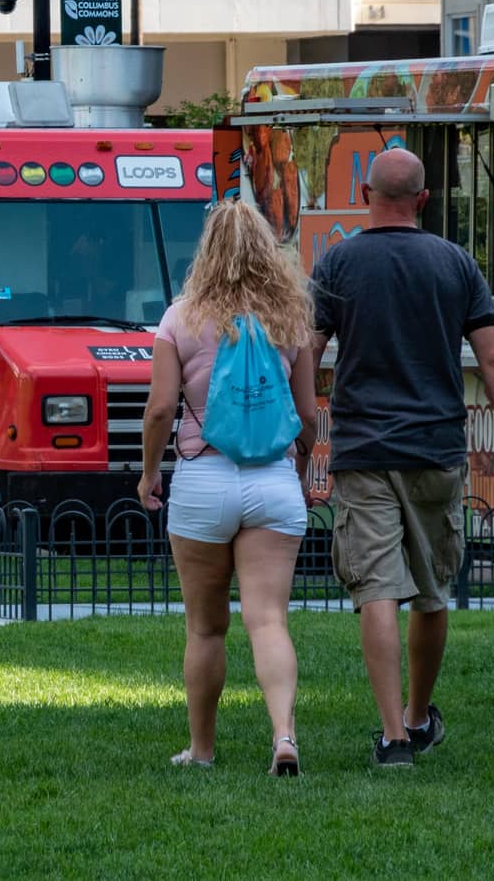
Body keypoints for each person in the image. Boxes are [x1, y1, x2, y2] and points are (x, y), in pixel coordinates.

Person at [311, 147, 494, 768]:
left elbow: (304, 351)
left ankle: (393, 739)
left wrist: (306, 436)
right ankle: (418, 715)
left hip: (363, 451)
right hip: (437, 450)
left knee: (377, 590)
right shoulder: (456, 264)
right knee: (432, 591)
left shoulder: (337, 263)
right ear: (424, 200)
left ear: (364, 191)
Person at [139, 198, 319, 775]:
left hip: (202, 480)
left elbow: (162, 408)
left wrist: (148, 475)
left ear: (207, 251)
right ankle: (284, 735)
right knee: (268, 619)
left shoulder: (180, 318)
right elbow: (309, 415)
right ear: (268, 251)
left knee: (205, 626)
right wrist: (301, 466)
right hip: (272, 479)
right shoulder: (291, 319)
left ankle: (203, 749)